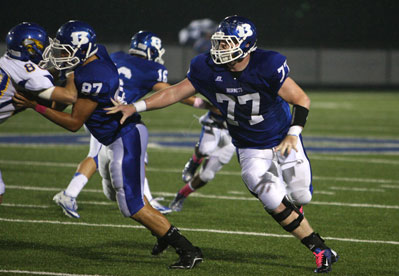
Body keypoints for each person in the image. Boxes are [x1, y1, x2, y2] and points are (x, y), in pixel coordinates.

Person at [105, 15, 339, 273]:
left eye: (227, 44)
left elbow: (301, 99)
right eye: (219, 43)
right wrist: (135, 106)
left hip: (283, 138)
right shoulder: (206, 66)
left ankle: (294, 209)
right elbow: (174, 92)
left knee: (301, 195)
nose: (219, 49)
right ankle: (320, 248)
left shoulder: (267, 63)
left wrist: (293, 134)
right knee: (271, 198)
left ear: (246, 45)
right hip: (249, 146)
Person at [13, 20, 203, 269]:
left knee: (132, 206)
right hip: (117, 136)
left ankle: (188, 250)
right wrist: (65, 77)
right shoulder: (96, 54)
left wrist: (34, 104)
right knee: (123, 196)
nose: (60, 54)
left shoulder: (94, 76)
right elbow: (64, 98)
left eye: (65, 49)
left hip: (123, 136)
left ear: (82, 49)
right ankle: (162, 234)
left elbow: (72, 122)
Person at [0, 22, 78, 204]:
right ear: (30, 48)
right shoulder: (29, 73)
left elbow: (36, 81)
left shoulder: (7, 61)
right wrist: (72, 72)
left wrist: (57, 71)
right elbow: (68, 97)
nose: (47, 51)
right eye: (43, 46)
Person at [170, 111, 235, 211]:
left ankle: (181, 195)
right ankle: (193, 163)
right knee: (205, 150)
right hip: (216, 123)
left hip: (233, 136)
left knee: (207, 175)